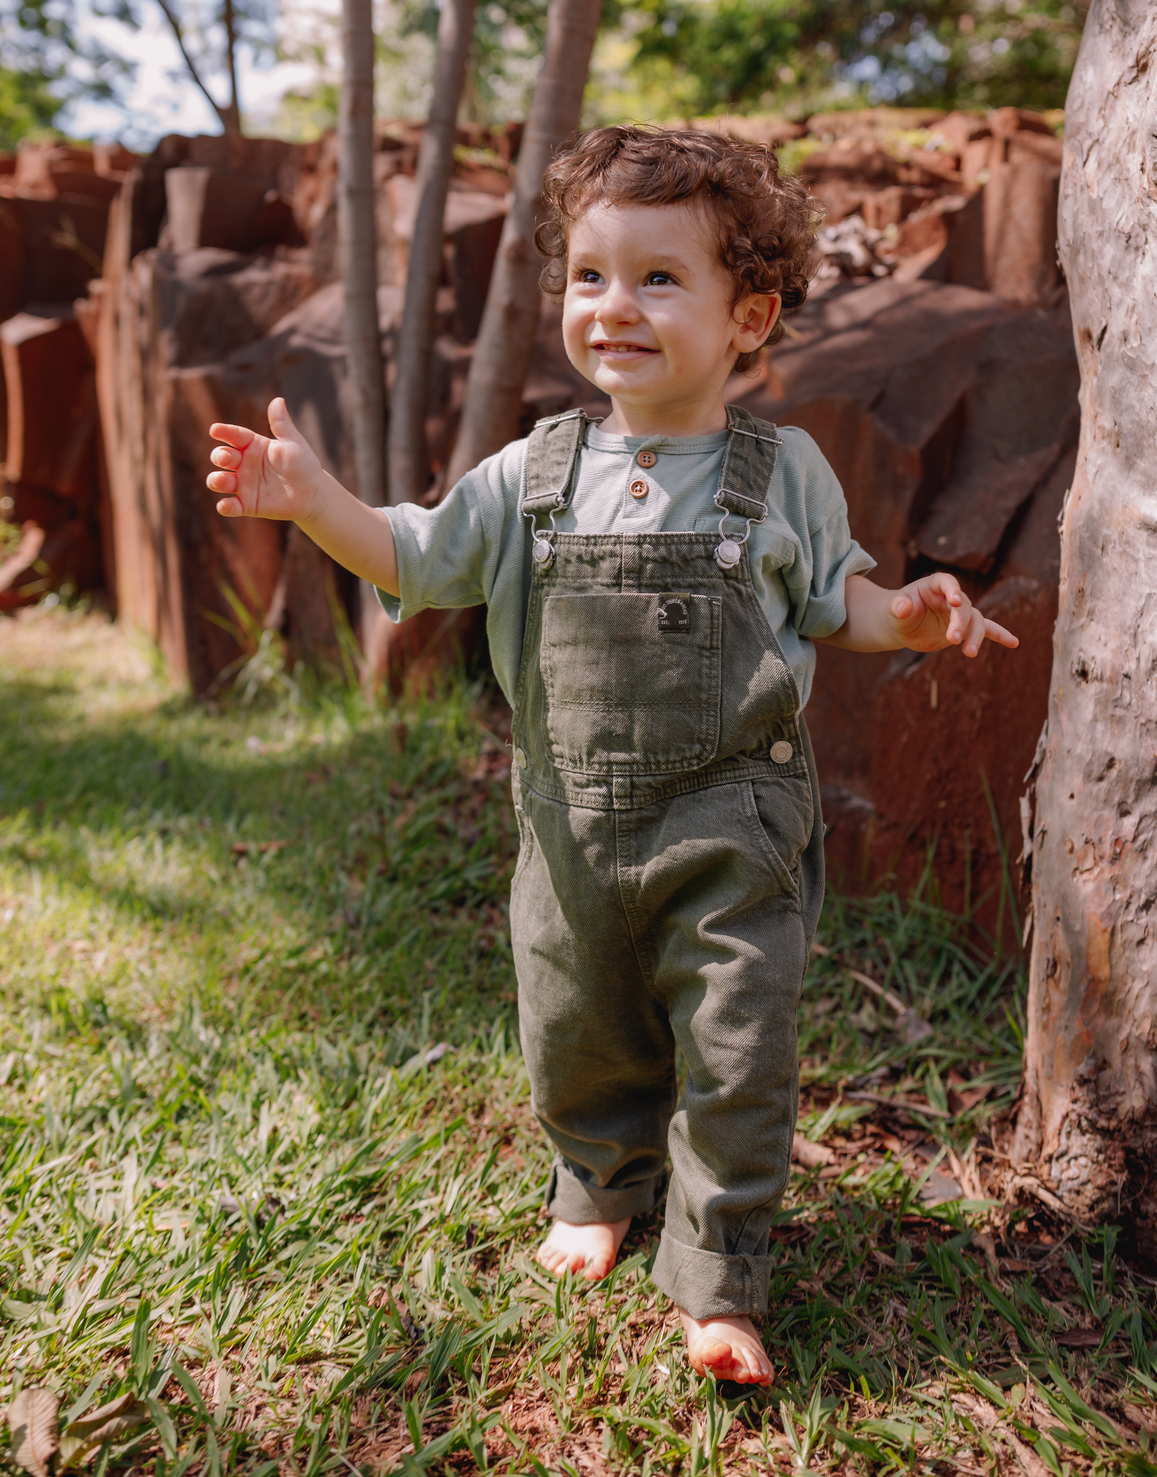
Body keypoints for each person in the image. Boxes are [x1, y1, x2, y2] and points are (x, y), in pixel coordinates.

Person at [206, 126, 1017, 1387]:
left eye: (657, 278)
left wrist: (902, 611)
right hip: (571, 829)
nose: (613, 307)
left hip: (735, 829)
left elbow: (833, 603)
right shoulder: (533, 472)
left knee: (739, 1044)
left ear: (749, 317)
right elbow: (415, 561)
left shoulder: (782, 471)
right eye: (590, 276)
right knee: (575, 1023)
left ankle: (719, 1269)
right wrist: (315, 502)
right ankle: (598, 1180)